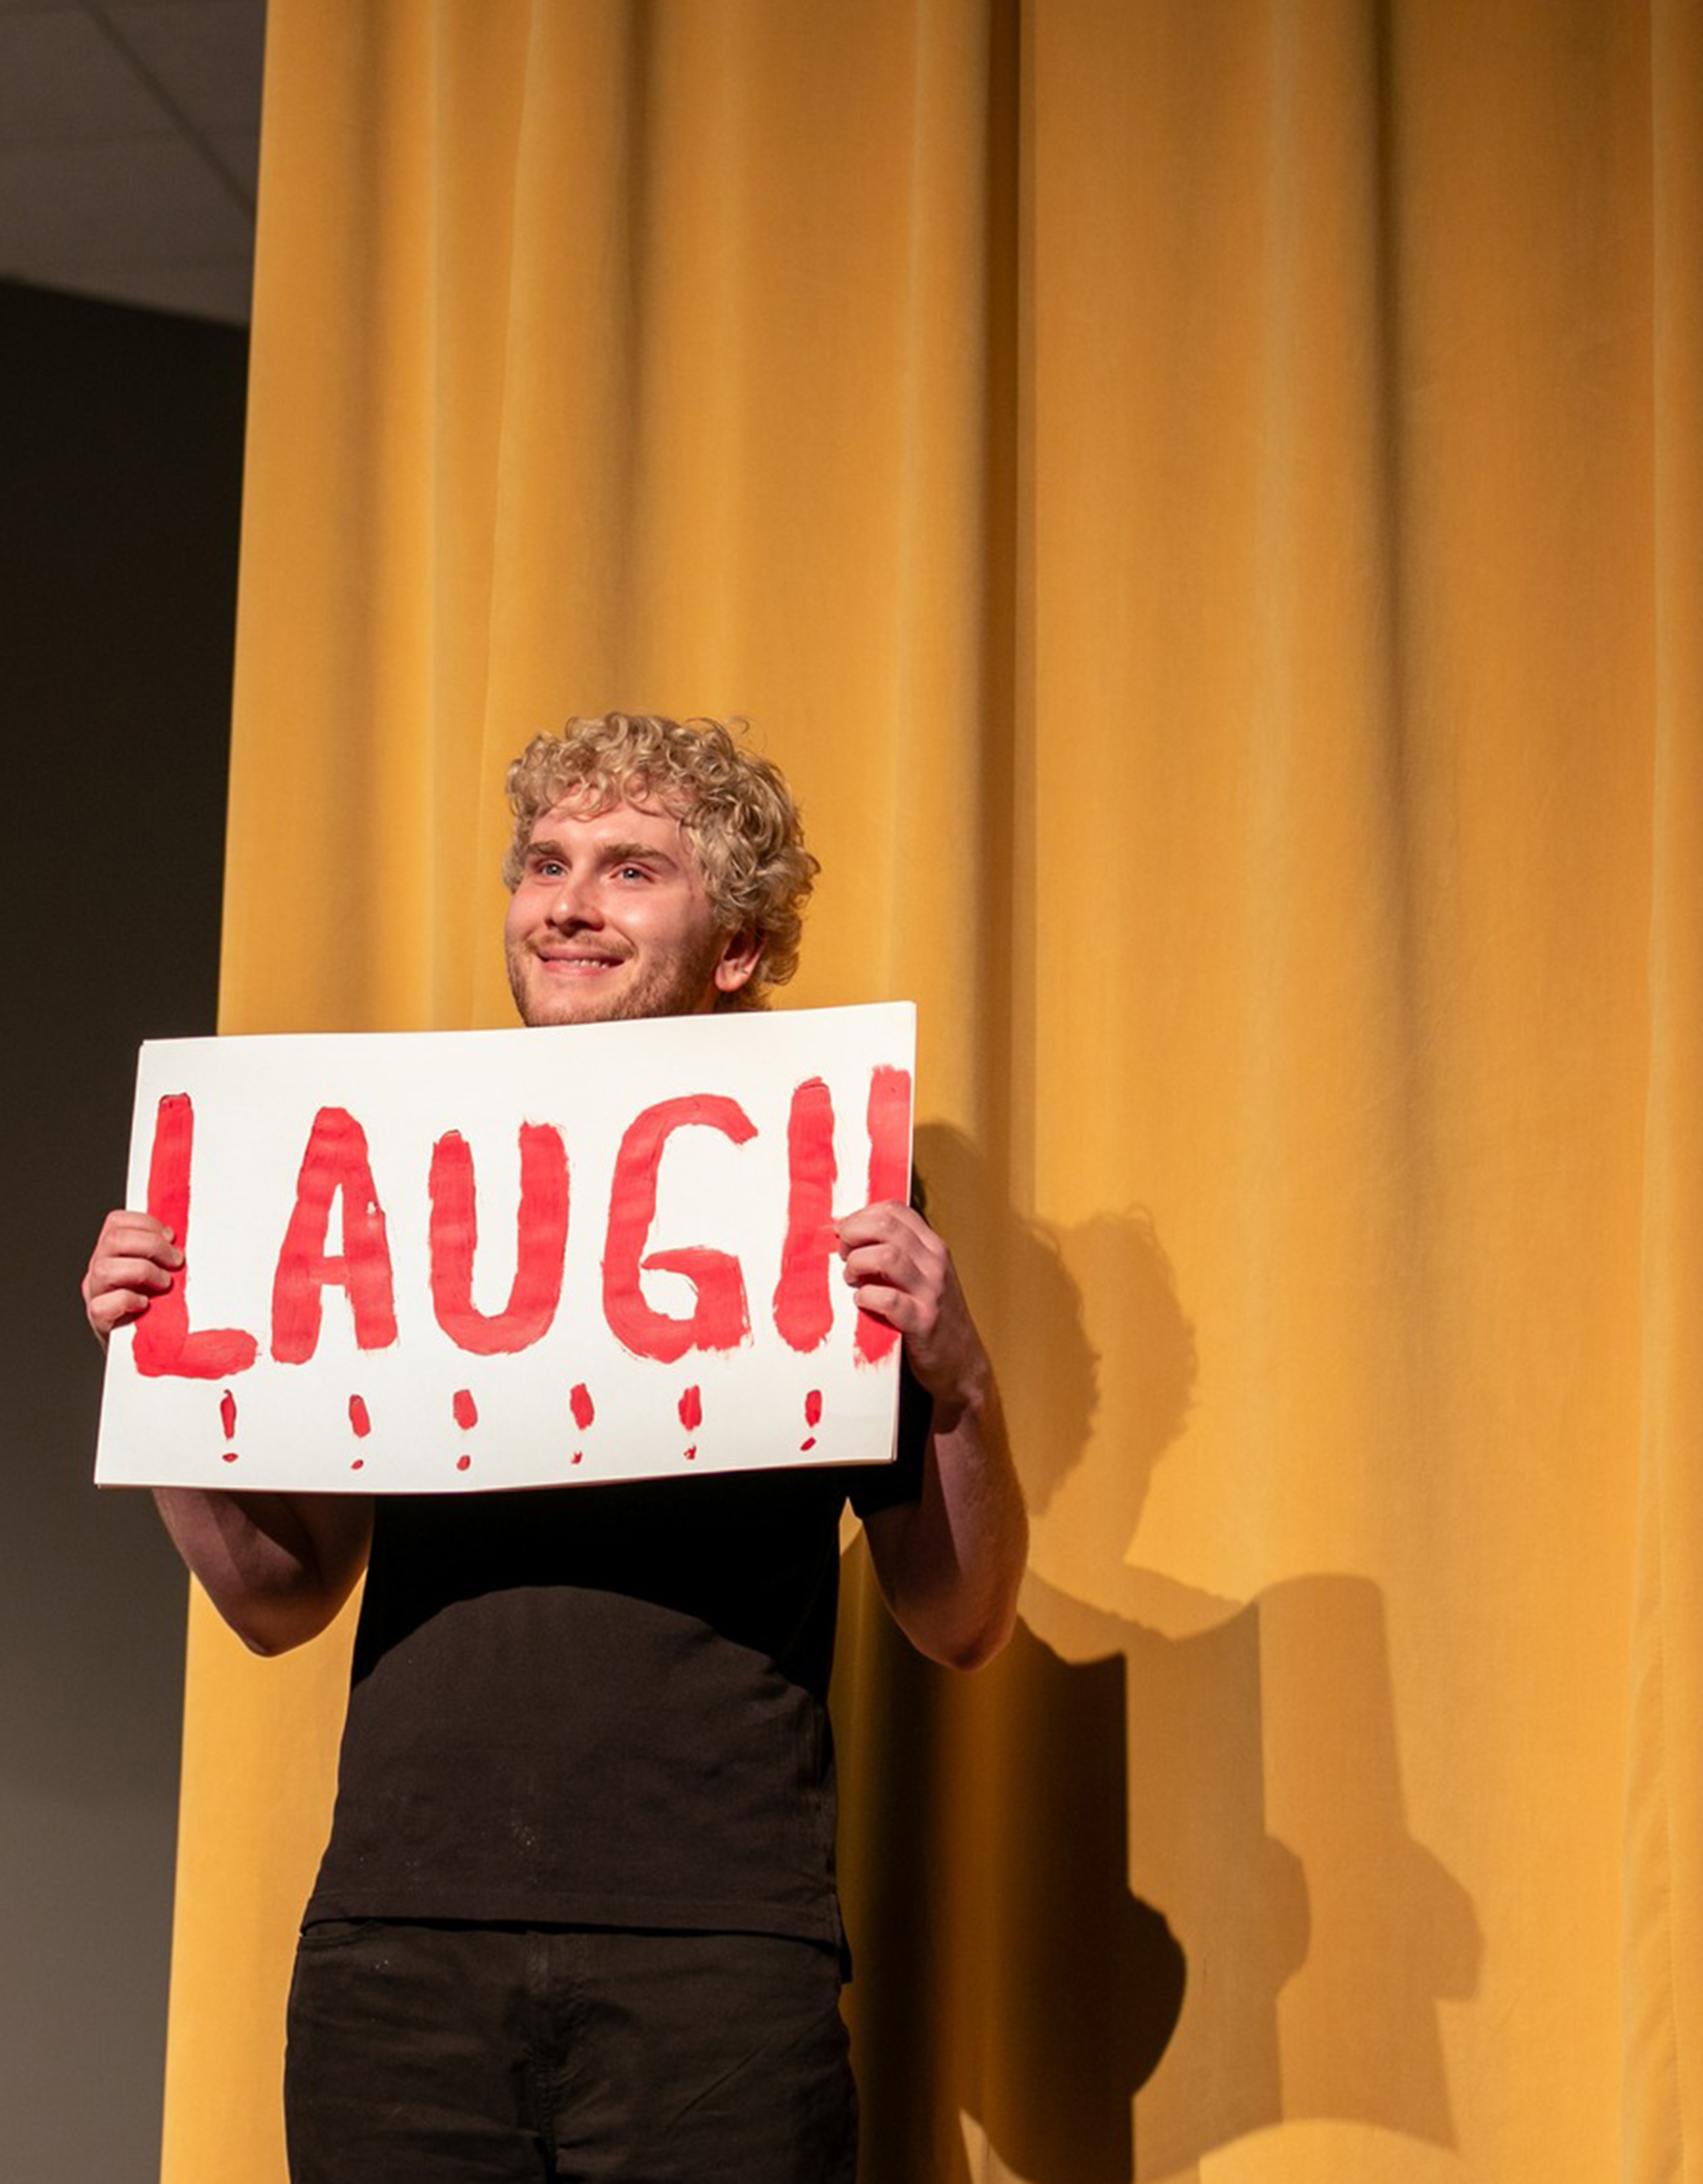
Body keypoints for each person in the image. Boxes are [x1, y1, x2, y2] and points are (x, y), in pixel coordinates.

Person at [81, 713, 1025, 2183]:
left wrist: (958, 1378)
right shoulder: (402, 1173)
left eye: (631, 868)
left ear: (735, 946)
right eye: (545, 862)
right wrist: (162, 1382)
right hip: (398, 1952)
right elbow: (277, 1598)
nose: (568, 902)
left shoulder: (817, 1176)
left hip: (716, 1960)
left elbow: (958, 1615)